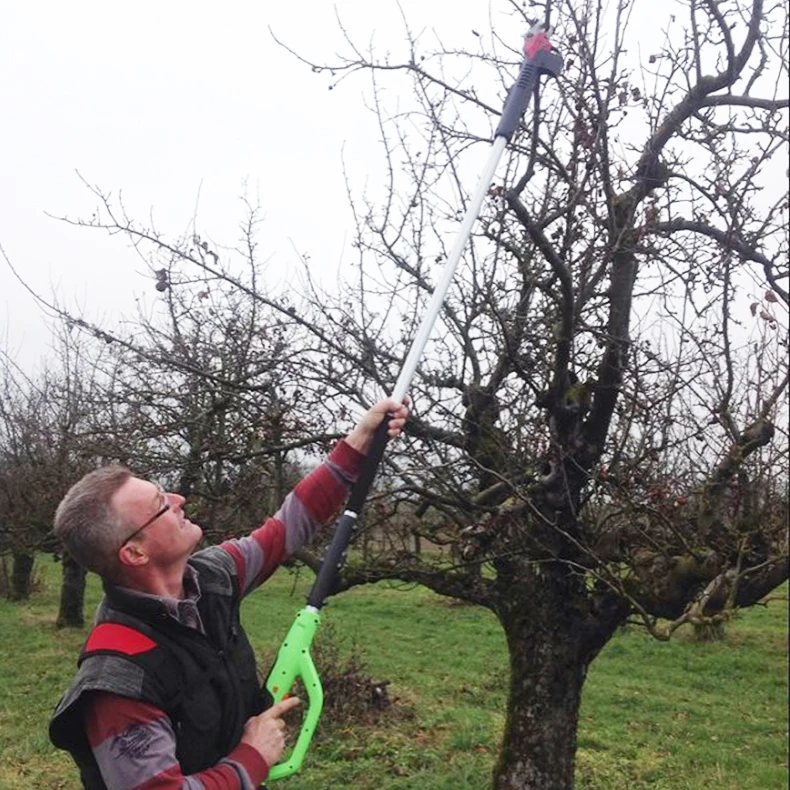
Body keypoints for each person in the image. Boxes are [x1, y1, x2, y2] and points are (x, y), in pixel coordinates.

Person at [49, 398, 409, 790]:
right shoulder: (118, 680)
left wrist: (358, 443)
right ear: (135, 552)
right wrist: (252, 757)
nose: (178, 500)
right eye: (160, 505)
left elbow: (285, 529)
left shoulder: (212, 577)